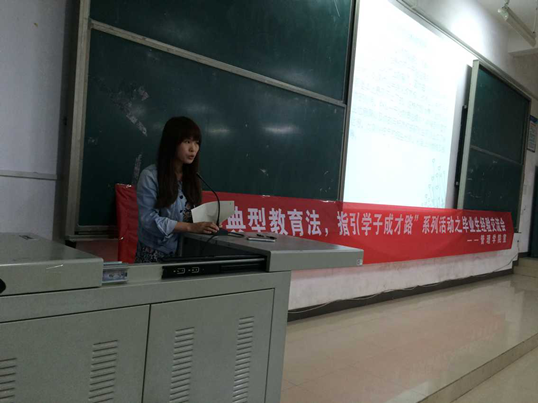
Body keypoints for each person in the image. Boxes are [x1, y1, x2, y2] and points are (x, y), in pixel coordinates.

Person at [135, 116, 219, 263]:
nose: (193, 149)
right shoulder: (150, 176)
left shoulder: (193, 177)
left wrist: (208, 224)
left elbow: (190, 216)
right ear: (172, 143)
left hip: (184, 251)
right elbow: (148, 220)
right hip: (154, 253)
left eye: (196, 142)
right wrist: (190, 227)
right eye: (187, 141)